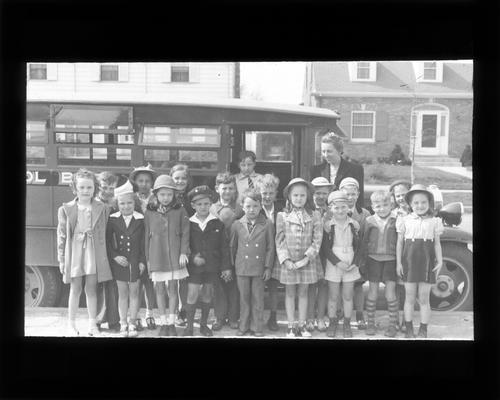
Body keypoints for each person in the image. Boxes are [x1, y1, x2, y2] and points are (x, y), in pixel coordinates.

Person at [57, 169, 113, 336]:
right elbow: (61, 236)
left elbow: (107, 232)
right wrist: (61, 259)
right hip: (75, 251)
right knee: (75, 289)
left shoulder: (102, 208)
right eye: (82, 187)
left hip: (93, 251)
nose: (85, 191)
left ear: (94, 188)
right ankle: (71, 324)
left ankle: (92, 325)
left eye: (89, 187)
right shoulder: (66, 209)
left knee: (91, 288)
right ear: (75, 188)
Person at [276, 178, 323, 337]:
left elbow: (317, 240)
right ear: (289, 196)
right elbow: (280, 240)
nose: (299, 198)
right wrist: (286, 260)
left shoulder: (314, 215)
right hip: (289, 263)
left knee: (303, 293)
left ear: (307, 196)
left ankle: (302, 325)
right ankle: (291, 326)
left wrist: (306, 259)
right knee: (289, 293)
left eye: (302, 195)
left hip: (307, 262)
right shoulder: (282, 216)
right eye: (295, 195)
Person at [396, 184, 444, 338]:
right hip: (409, 263)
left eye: (423, 202)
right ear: (410, 204)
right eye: (416, 203)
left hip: (427, 263)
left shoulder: (435, 222)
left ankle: (423, 329)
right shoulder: (404, 220)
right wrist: (398, 263)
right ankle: (409, 329)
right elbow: (399, 243)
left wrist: (440, 261)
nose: (420, 205)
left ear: (429, 203)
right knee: (409, 297)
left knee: (424, 298)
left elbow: (436, 243)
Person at [144, 175, 190, 336]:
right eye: (162, 194)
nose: (166, 198)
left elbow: (186, 232)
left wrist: (184, 252)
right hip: (156, 255)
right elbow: (145, 236)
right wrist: (147, 259)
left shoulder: (180, 209)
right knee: (159, 289)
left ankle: (171, 322)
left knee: (173, 288)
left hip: (174, 255)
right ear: (156, 194)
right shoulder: (149, 211)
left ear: (174, 195)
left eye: (169, 194)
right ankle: (163, 322)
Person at [183, 186, 230, 337]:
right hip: (194, 267)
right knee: (192, 293)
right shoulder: (188, 224)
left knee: (208, 293)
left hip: (212, 266)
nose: (203, 207)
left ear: (210, 204)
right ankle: (189, 326)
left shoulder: (217, 223)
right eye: (199, 204)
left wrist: (226, 267)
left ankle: (203, 325)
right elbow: (184, 245)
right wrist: (191, 258)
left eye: (206, 204)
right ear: (193, 206)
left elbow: (224, 247)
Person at [230, 189, 275, 337]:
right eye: (248, 206)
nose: (251, 210)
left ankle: (257, 327)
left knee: (258, 298)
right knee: (243, 298)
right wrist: (232, 266)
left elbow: (270, 247)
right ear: (242, 206)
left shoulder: (267, 224)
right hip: (242, 268)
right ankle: (243, 326)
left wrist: (268, 267)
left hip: (259, 268)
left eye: (255, 206)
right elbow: (232, 247)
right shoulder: (237, 224)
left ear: (261, 206)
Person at [106, 181, 146, 337]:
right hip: (120, 262)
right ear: (117, 204)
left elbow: (144, 243)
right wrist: (115, 256)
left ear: (134, 203)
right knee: (122, 294)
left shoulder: (141, 219)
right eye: (122, 203)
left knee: (135, 293)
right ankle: (123, 322)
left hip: (136, 261)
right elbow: (107, 241)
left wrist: (142, 261)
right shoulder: (113, 219)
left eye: (129, 203)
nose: (126, 206)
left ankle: (133, 323)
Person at [320, 191, 362, 338]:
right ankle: (332, 323)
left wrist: (354, 263)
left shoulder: (354, 225)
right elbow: (325, 249)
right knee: (333, 296)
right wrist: (338, 263)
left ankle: (347, 324)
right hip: (334, 262)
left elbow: (359, 247)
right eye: (336, 207)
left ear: (348, 207)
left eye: (343, 207)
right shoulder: (327, 226)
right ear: (331, 208)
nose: (340, 210)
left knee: (348, 296)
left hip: (350, 261)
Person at [359, 191, 399, 337]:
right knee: (373, 292)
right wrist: (361, 262)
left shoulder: (397, 219)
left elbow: (402, 241)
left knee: (390, 293)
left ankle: (392, 326)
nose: (382, 208)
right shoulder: (369, 220)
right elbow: (363, 242)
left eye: (385, 205)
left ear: (391, 205)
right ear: (372, 206)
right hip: (373, 259)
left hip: (391, 260)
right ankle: (370, 324)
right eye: (378, 206)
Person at [209, 172, 242, 331]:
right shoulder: (211, 209)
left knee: (234, 287)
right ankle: (219, 317)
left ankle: (234, 317)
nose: (227, 192)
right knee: (218, 287)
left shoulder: (240, 208)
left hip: (236, 253)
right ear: (217, 189)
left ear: (235, 189)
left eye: (231, 188)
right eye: (224, 188)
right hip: (217, 254)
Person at [339, 177, 371, 330]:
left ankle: (359, 314)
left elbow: (365, 237)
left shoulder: (364, 213)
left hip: (358, 256)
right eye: (347, 194)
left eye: (353, 194)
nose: (350, 197)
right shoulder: (337, 212)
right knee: (341, 286)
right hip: (341, 255)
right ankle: (341, 313)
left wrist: (360, 259)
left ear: (358, 194)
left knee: (358, 286)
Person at [129, 164, 157, 331]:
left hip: (152, 245)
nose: (144, 184)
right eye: (141, 181)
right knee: (136, 282)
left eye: (147, 181)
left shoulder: (156, 198)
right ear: (135, 182)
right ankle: (136, 315)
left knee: (150, 283)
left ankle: (150, 314)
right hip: (136, 244)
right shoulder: (132, 199)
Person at [254, 174, 283, 332]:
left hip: (276, 254)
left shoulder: (282, 209)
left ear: (276, 193)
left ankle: (273, 316)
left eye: (271, 193)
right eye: (264, 193)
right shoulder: (254, 208)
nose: (267, 196)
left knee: (273, 287)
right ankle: (256, 317)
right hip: (258, 253)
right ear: (259, 192)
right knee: (257, 287)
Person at [306, 177, 335, 332]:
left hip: (326, 253)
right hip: (311, 252)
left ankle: (320, 317)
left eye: (324, 193)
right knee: (311, 285)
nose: (321, 196)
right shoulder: (308, 210)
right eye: (317, 193)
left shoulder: (332, 211)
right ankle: (310, 317)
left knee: (323, 285)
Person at [310, 131, 365, 209]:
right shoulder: (316, 170)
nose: (325, 155)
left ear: (339, 151)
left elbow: (359, 198)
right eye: (323, 151)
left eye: (329, 151)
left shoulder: (355, 169)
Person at [95, 171, 120, 332]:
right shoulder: (94, 204)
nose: (108, 191)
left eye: (112, 188)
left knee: (114, 286)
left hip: (114, 248)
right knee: (97, 286)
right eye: (105, 187)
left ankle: (113, 320)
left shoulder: (116, 203)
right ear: (98, 187)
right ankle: (97, 320)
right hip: (99, 248)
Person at [170, 164, 194, 327]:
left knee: (185, 279)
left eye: (183, 178)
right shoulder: (166, 197)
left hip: (190, 242)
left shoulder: (191, 198)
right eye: (176, 178)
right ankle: (171, 311)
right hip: (172, 243)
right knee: (171, 280)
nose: (180, 181)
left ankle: (184, 309)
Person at [389, 179, 412, 332]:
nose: (401, 198)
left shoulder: (415, 211)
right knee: (395, 289)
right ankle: (395, 319)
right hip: (395, 254)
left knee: (407, 290)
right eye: (398, 196)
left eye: (404, 194)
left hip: (410, 254)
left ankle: (406, 320)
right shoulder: (392, 213)